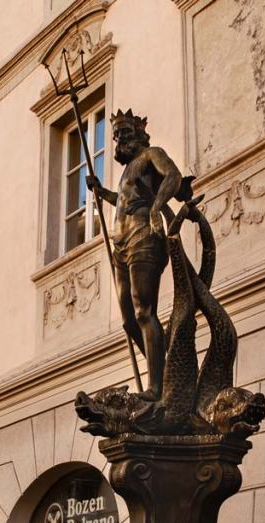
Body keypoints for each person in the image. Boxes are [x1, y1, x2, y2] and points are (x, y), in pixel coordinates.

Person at [86, 109, 185, 400]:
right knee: (129, 320)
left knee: (144, 312)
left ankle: (156, 387)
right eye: (116, 137)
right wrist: (101, 191)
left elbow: (174, 177)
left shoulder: (151, 155)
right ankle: (166, 370)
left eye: (124, 134)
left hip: (144, 237)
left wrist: (155, 208)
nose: (119, 141)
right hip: (121, 245)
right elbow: (123, 202)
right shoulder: (127, 171)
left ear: (138, 134)